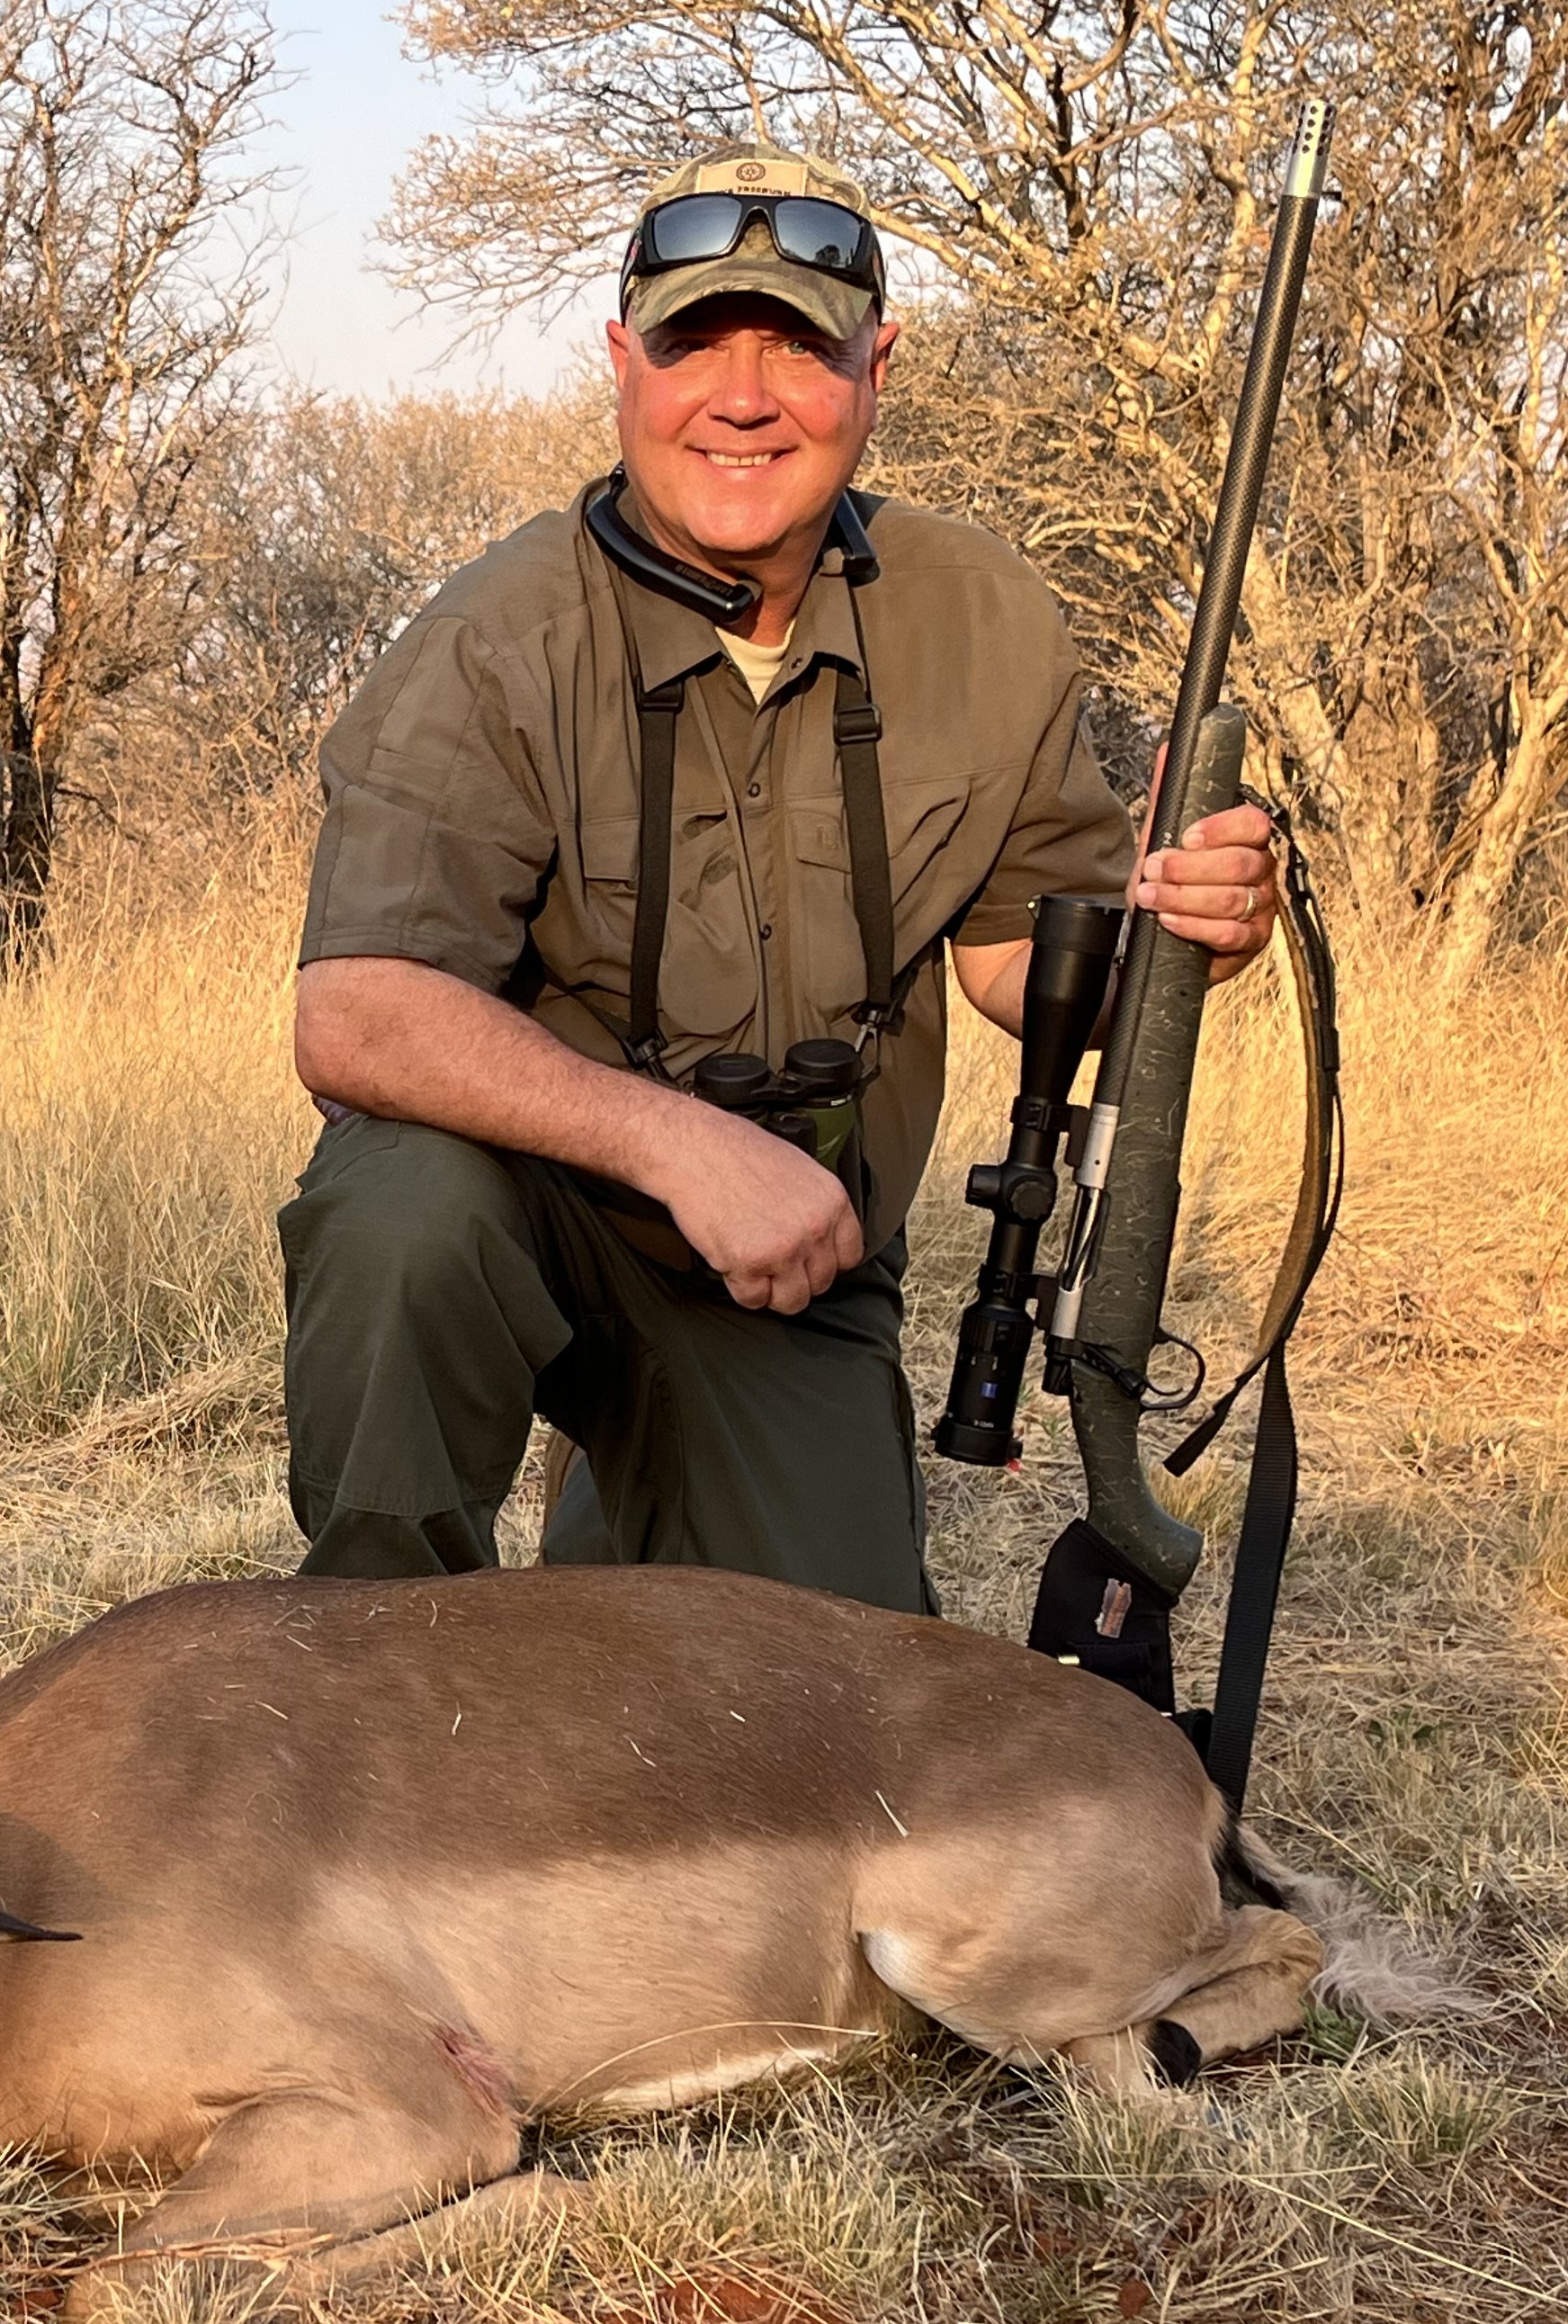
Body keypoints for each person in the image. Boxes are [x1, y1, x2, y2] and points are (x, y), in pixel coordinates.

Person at [282, 146, 1288, 1608]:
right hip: (537, 1215)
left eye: (799, 348)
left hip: (792, 1269)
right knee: (397, 1212)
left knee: (841, 1730)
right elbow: (354, 1014)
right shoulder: (495, 631)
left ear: (878, 365)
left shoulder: (985, 613)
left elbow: (1021, 963)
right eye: (694, 342)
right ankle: (377, 1675)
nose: (742, 398)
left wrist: (1182, 924)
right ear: (620, 361)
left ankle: (627, 1529)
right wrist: (682, 1147)